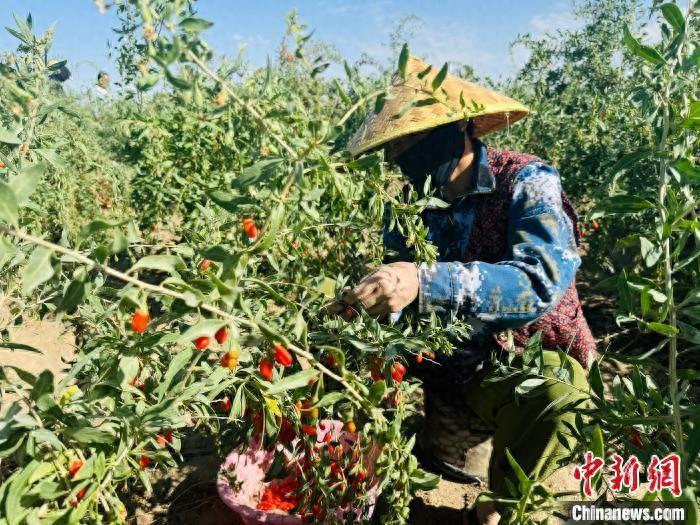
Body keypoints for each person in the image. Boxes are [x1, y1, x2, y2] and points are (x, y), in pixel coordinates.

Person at [335, 56, 596, 525]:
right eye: (392, 147)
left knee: (561, 395)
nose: (398, 157)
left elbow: (538, 282)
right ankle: (358, 474)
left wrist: (426, 279)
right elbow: (398, 292)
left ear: (458, 128)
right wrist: (370, 302)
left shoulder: (527, 180)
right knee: (339, 358)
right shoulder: (406, 207)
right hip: (445, 360)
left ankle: (508, 501)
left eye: (410, 140)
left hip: (516, 358)